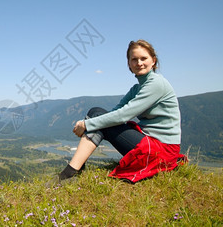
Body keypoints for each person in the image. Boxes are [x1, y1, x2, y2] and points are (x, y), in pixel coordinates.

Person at [58, 39, 185, 183]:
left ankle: (69, 173)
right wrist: (91, 122)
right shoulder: (137, 89)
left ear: (153, 61)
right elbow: (115, 112)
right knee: (97, 113)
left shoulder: (156, 84)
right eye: (134, 59)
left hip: (161, 151)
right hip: (152, 145)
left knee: (96, 116)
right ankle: (73, 171)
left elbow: (123, 115)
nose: (139, 63)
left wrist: (87, 124)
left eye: (144, 58)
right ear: (129, 64)